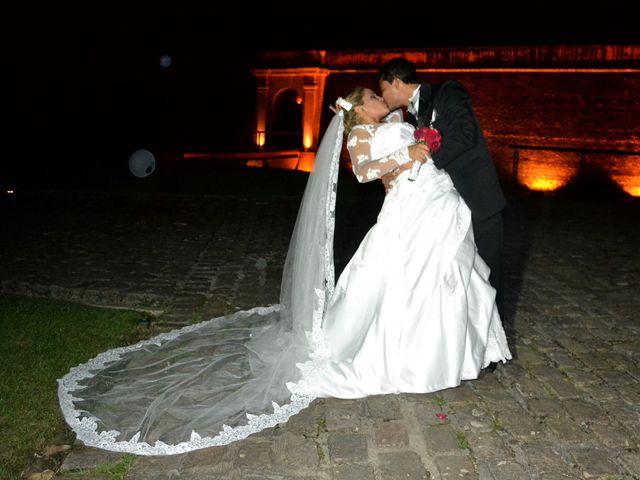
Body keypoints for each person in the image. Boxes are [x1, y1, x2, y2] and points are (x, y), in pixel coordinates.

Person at [57, 87, 510, 456]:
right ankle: (367, 349)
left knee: (439, 278)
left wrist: (420, 143)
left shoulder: (394, 122)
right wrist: (406, 156)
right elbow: (365, 173)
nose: (379, 97)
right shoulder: (360, 136)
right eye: (371, 95)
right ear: (358, 110)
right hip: (404, 212)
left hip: (434, 203)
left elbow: (422, 140)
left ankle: (443, 350)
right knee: (382, 284)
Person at [377, 58, 508, 328]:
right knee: (465, 274)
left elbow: (466, 134)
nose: (383, 96)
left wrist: (428, 160)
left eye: (384, 89)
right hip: (447, 204)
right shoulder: (413, 115)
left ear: (397, 83)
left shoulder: (447, 91)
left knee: (489, 271)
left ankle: (493, 345)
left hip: (477, 195)